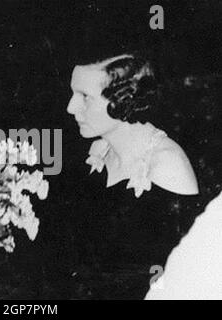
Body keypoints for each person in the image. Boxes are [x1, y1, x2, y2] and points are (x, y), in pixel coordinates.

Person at [65, 54, 201, 298]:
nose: (71, 107)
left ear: (123, 98)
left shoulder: (167, 166)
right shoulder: (100, 153)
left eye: (85, 96)